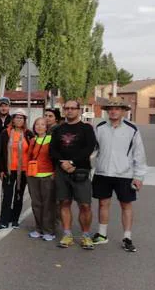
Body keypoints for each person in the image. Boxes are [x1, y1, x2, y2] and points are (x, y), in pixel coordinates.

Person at [92, 97, 147, 253]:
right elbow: (93, 149)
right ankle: (102, 235)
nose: (113, 111)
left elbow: (139, 154)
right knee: (103, 203)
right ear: (107, 111)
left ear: (123, 111)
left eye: (117, 108)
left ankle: (127, 238)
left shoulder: (132, 129)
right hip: (103, 172)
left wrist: (139, 176)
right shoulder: (100, 127)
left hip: (125, 174)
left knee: (126, 205)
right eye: (110, 109)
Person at [49, 100, 97, 250]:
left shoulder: (86, 129)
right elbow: (52, 150)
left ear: (79, 110)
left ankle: (86, 235)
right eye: (67, 108)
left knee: (85, 205)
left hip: (81, 171)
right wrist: (62, 162)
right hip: (61, 171)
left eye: (72, 108)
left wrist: (73, 163)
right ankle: (67, 234)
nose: (69, 111)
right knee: (64, 203)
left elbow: (89, 148)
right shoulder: (58, 129)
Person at [0, 109, 34, 232]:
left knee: (18, 195)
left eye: (21, 118)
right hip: (9, 170)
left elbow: (33, 151)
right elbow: (0, 152)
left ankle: (15, 219)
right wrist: (1, 169)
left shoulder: (28, 134)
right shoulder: (6, 133)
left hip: (23, 171)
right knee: (7, 196)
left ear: (24, 120)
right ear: (13, 119)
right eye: (17, 117)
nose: (19, 120)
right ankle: (4, 221)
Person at [26, 117, 57, 241]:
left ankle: (49, 230)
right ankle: (38, 228)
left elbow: (55, 158)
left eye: (42, 124)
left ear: (46, 127)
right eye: (37, 124)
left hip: (48, 175)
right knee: (36, 204)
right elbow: (29, 157)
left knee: (48, 204)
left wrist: (55, 173)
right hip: (33, 176)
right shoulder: (33, 140)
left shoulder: (52, 140)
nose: (39, 126)